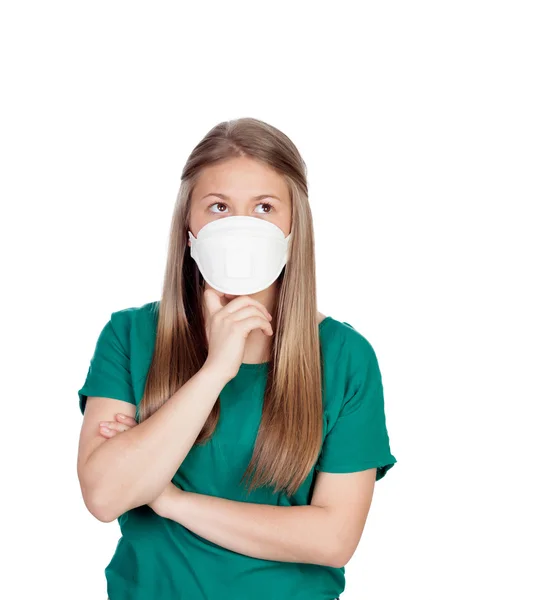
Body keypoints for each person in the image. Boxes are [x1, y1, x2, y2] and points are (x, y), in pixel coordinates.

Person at [76, 117, 397, 600]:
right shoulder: (130, 335)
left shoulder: (345, 358)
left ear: (294, 227)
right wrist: (215, 371)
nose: (240, 227)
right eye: (219, 207)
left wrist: (170, 499)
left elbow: (333, 539)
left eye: (264, 208)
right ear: (189, 226)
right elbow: (104, 496)